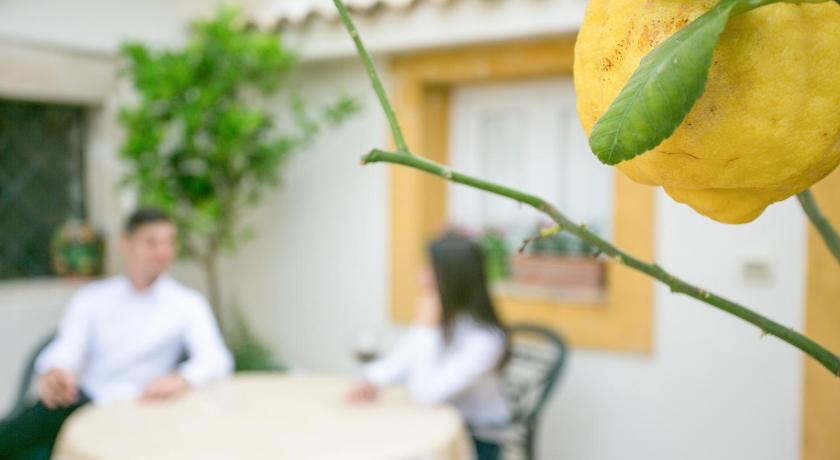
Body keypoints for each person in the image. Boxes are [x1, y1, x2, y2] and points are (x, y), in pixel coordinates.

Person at [0, 208, 233, 460]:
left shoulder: (188, 304)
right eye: (152, 242)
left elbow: (217, 359)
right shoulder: (93, 298)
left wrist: (183, 378)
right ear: (127, 243)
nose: (163, 252)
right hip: (79, 398)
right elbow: (69, 345)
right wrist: (58, 370)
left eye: (168, 242)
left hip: (138, 408)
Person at [348, 233, 510, 460]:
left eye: (430, 270)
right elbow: (400, 361)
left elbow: (427, 395)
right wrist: (372, 380)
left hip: (475, 440)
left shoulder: (486, 340)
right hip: (429, 422)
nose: (421, 278)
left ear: (452, 278)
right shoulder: (444, 319)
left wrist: (427, 328)